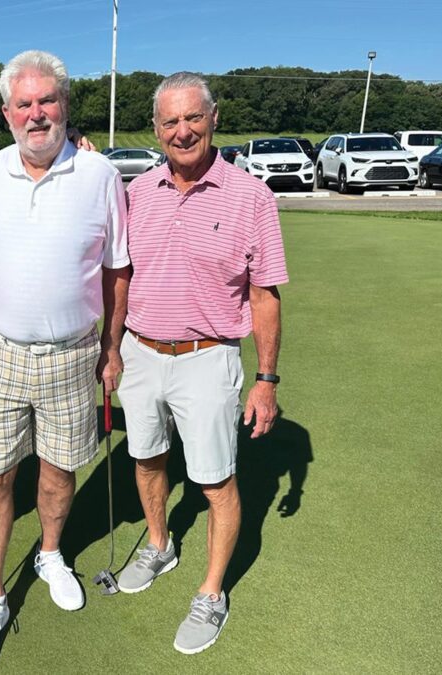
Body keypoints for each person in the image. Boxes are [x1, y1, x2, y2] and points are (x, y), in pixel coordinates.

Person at [0, 50, 131, 669]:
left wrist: (111, 345)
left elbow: (117, 269)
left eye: (46, 101)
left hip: (74, 356)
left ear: (65, 106)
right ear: (5, 113)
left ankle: (51, 551)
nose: (35, 113)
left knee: (58, 470)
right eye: (23, 104)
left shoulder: (102, 176)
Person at [114, 71, 288, 655]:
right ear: (155, 129)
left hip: (208, 358)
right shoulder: (136, 193)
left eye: (193, 118)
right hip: (140, 353)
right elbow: (121, 278)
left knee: (214, 481)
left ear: (215, 119)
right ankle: (160, 545)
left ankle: (212, 592)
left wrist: (265, 380)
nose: (182, 131)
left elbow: (265, 294)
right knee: (146, 460)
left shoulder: (251, 196)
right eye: (170, 121)